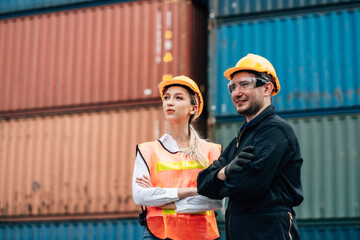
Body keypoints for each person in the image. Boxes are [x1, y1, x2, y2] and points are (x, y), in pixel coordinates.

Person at [197, 53, 304, 240]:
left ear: (267, 89)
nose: (236, 93)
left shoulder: (275, 131)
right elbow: (202, 184)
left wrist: (221, 178)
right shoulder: (244, 135)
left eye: (244, 84)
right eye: (232, 87)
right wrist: (223, 173)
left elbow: (247, 185)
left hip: (269, 231)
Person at [132, 75, 224, 240]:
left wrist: (164, 202)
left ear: (193, 108)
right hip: (158, 234)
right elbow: (140, 196)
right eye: (166, 97)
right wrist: (193, 190)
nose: (169, 102)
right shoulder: (148, 150)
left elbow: (217, 201)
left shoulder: (211, 151)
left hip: (203, 235)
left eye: (178, 98)